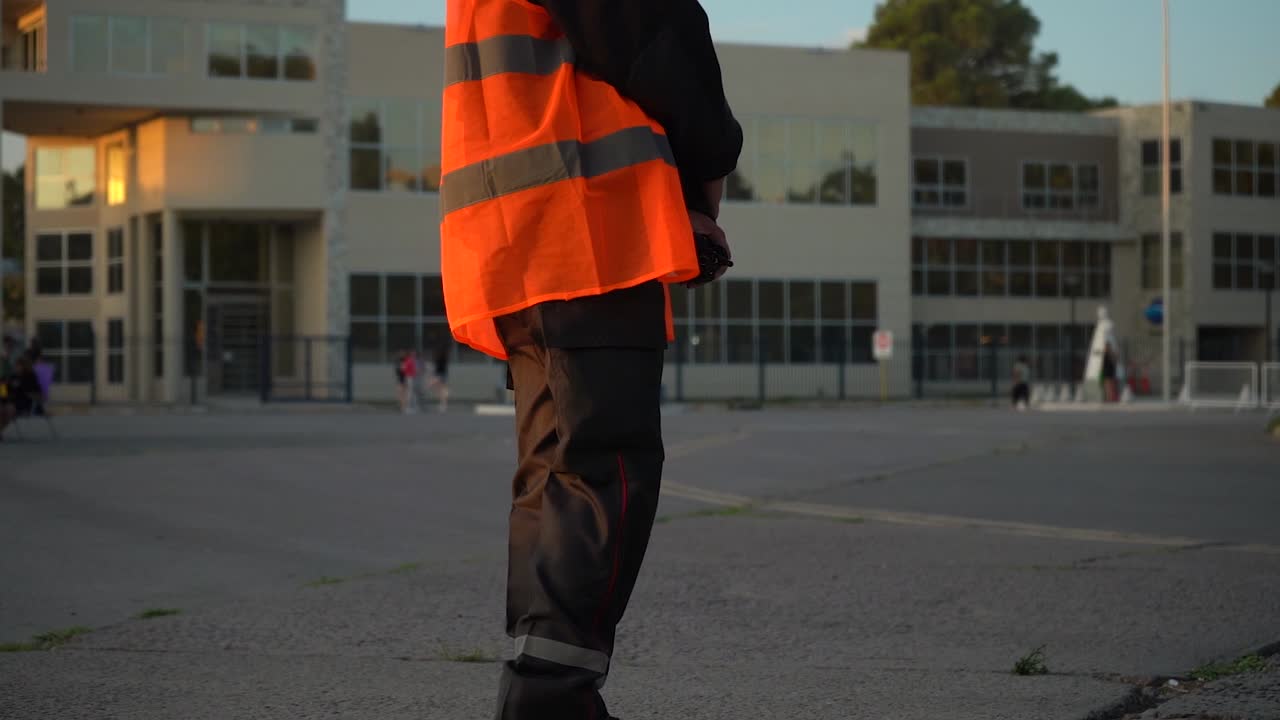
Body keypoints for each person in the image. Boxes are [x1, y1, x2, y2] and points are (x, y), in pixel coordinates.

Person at [440, 1, 742, 718]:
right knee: (600, 470)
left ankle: (538, 690)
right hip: (588, 225)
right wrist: (707, 170)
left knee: (552, 478)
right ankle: (550, 702)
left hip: (510, 236)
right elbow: (653, 35)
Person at [0, 354, 42, 439]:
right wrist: (3, 387)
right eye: (16, 366)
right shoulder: (13, 377)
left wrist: (29, 393)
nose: (16, 368)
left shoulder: (30, 377)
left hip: (24, 403)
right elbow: (5, 390)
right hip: (9, 400)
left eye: (18, 366)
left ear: (24, 366)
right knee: (2, 408)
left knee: (8, 410)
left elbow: (36, 393)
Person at [426, 342, 450, 413]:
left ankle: (443, 403)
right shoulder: (443, 357)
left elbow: (438, 368)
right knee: (441, 390)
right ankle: (443, 404)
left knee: (432, 385)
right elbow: (438, 367)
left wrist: (434, 376)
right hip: (442, 374)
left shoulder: (441, 358)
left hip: (440, 374)